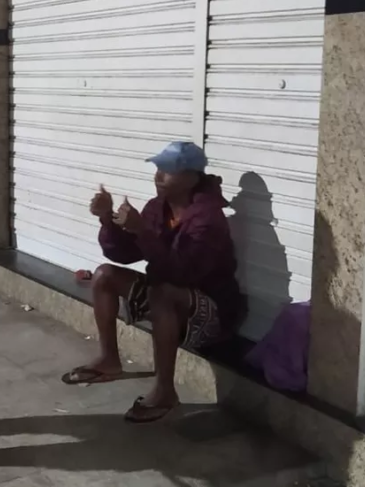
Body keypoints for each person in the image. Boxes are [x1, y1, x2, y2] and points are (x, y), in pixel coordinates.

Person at [61, 141, 245, 423]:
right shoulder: (157, 207)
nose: (158, 176)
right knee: (104, 275)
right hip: (169, 296)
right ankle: (109, 360)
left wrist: (141, 231)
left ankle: (165, 391)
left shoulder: (208, 218)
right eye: (158, 168)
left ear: (192, 177)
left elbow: (184, 273)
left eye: (168, 170)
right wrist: (107, 221)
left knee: (165, 293)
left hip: (212, 312)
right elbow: (123, 254)